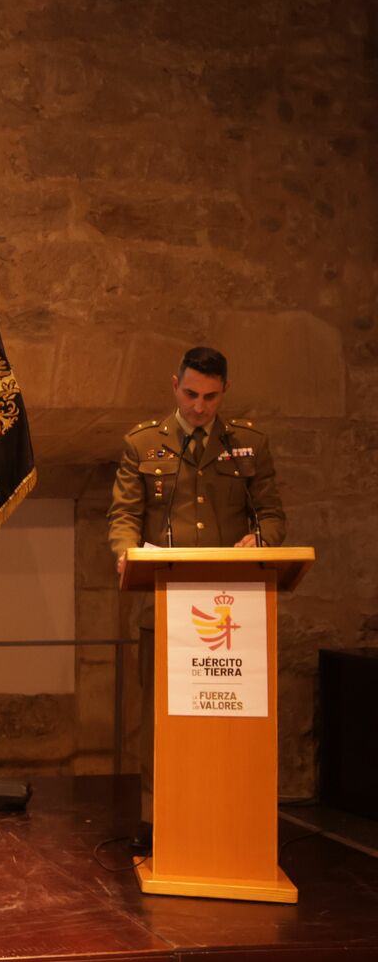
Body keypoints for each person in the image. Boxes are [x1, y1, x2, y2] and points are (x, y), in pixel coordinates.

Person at [107, 345, 285, 848]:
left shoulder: (247, 444)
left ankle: (230, 813)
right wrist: (124, 553)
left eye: (209, 396)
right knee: (162, 719)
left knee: (229, 712)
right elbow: (123, 515)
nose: (199, 407)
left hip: (235, 612)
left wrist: (264, 539)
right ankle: (158, 818)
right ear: (174, 384)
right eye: (190, 394)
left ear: (224, 390)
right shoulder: (143, 445)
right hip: (167, 606)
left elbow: (270, 511)